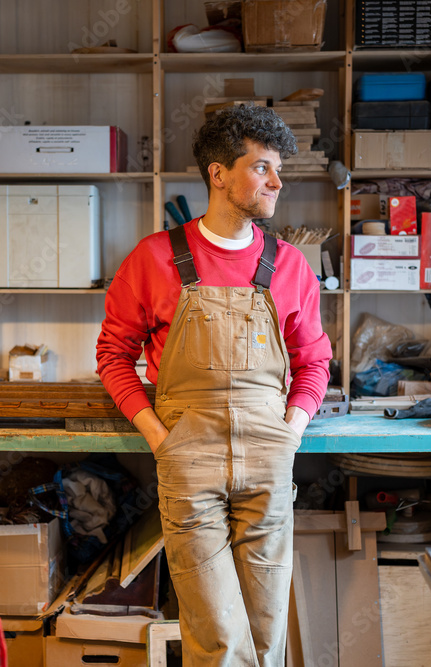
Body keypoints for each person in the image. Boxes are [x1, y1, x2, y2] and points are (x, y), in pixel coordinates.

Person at [96, 104, 332, 667]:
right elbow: (113, 355)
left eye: (279, 171)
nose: (276, 182)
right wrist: (158, 436)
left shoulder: (290, 265)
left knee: (267, 631)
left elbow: (315, 361)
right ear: (218, 174)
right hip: (188, 459)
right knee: (216, 636)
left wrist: (291, 432)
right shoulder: (154, 259)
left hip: (268, 458)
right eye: (262, 168)